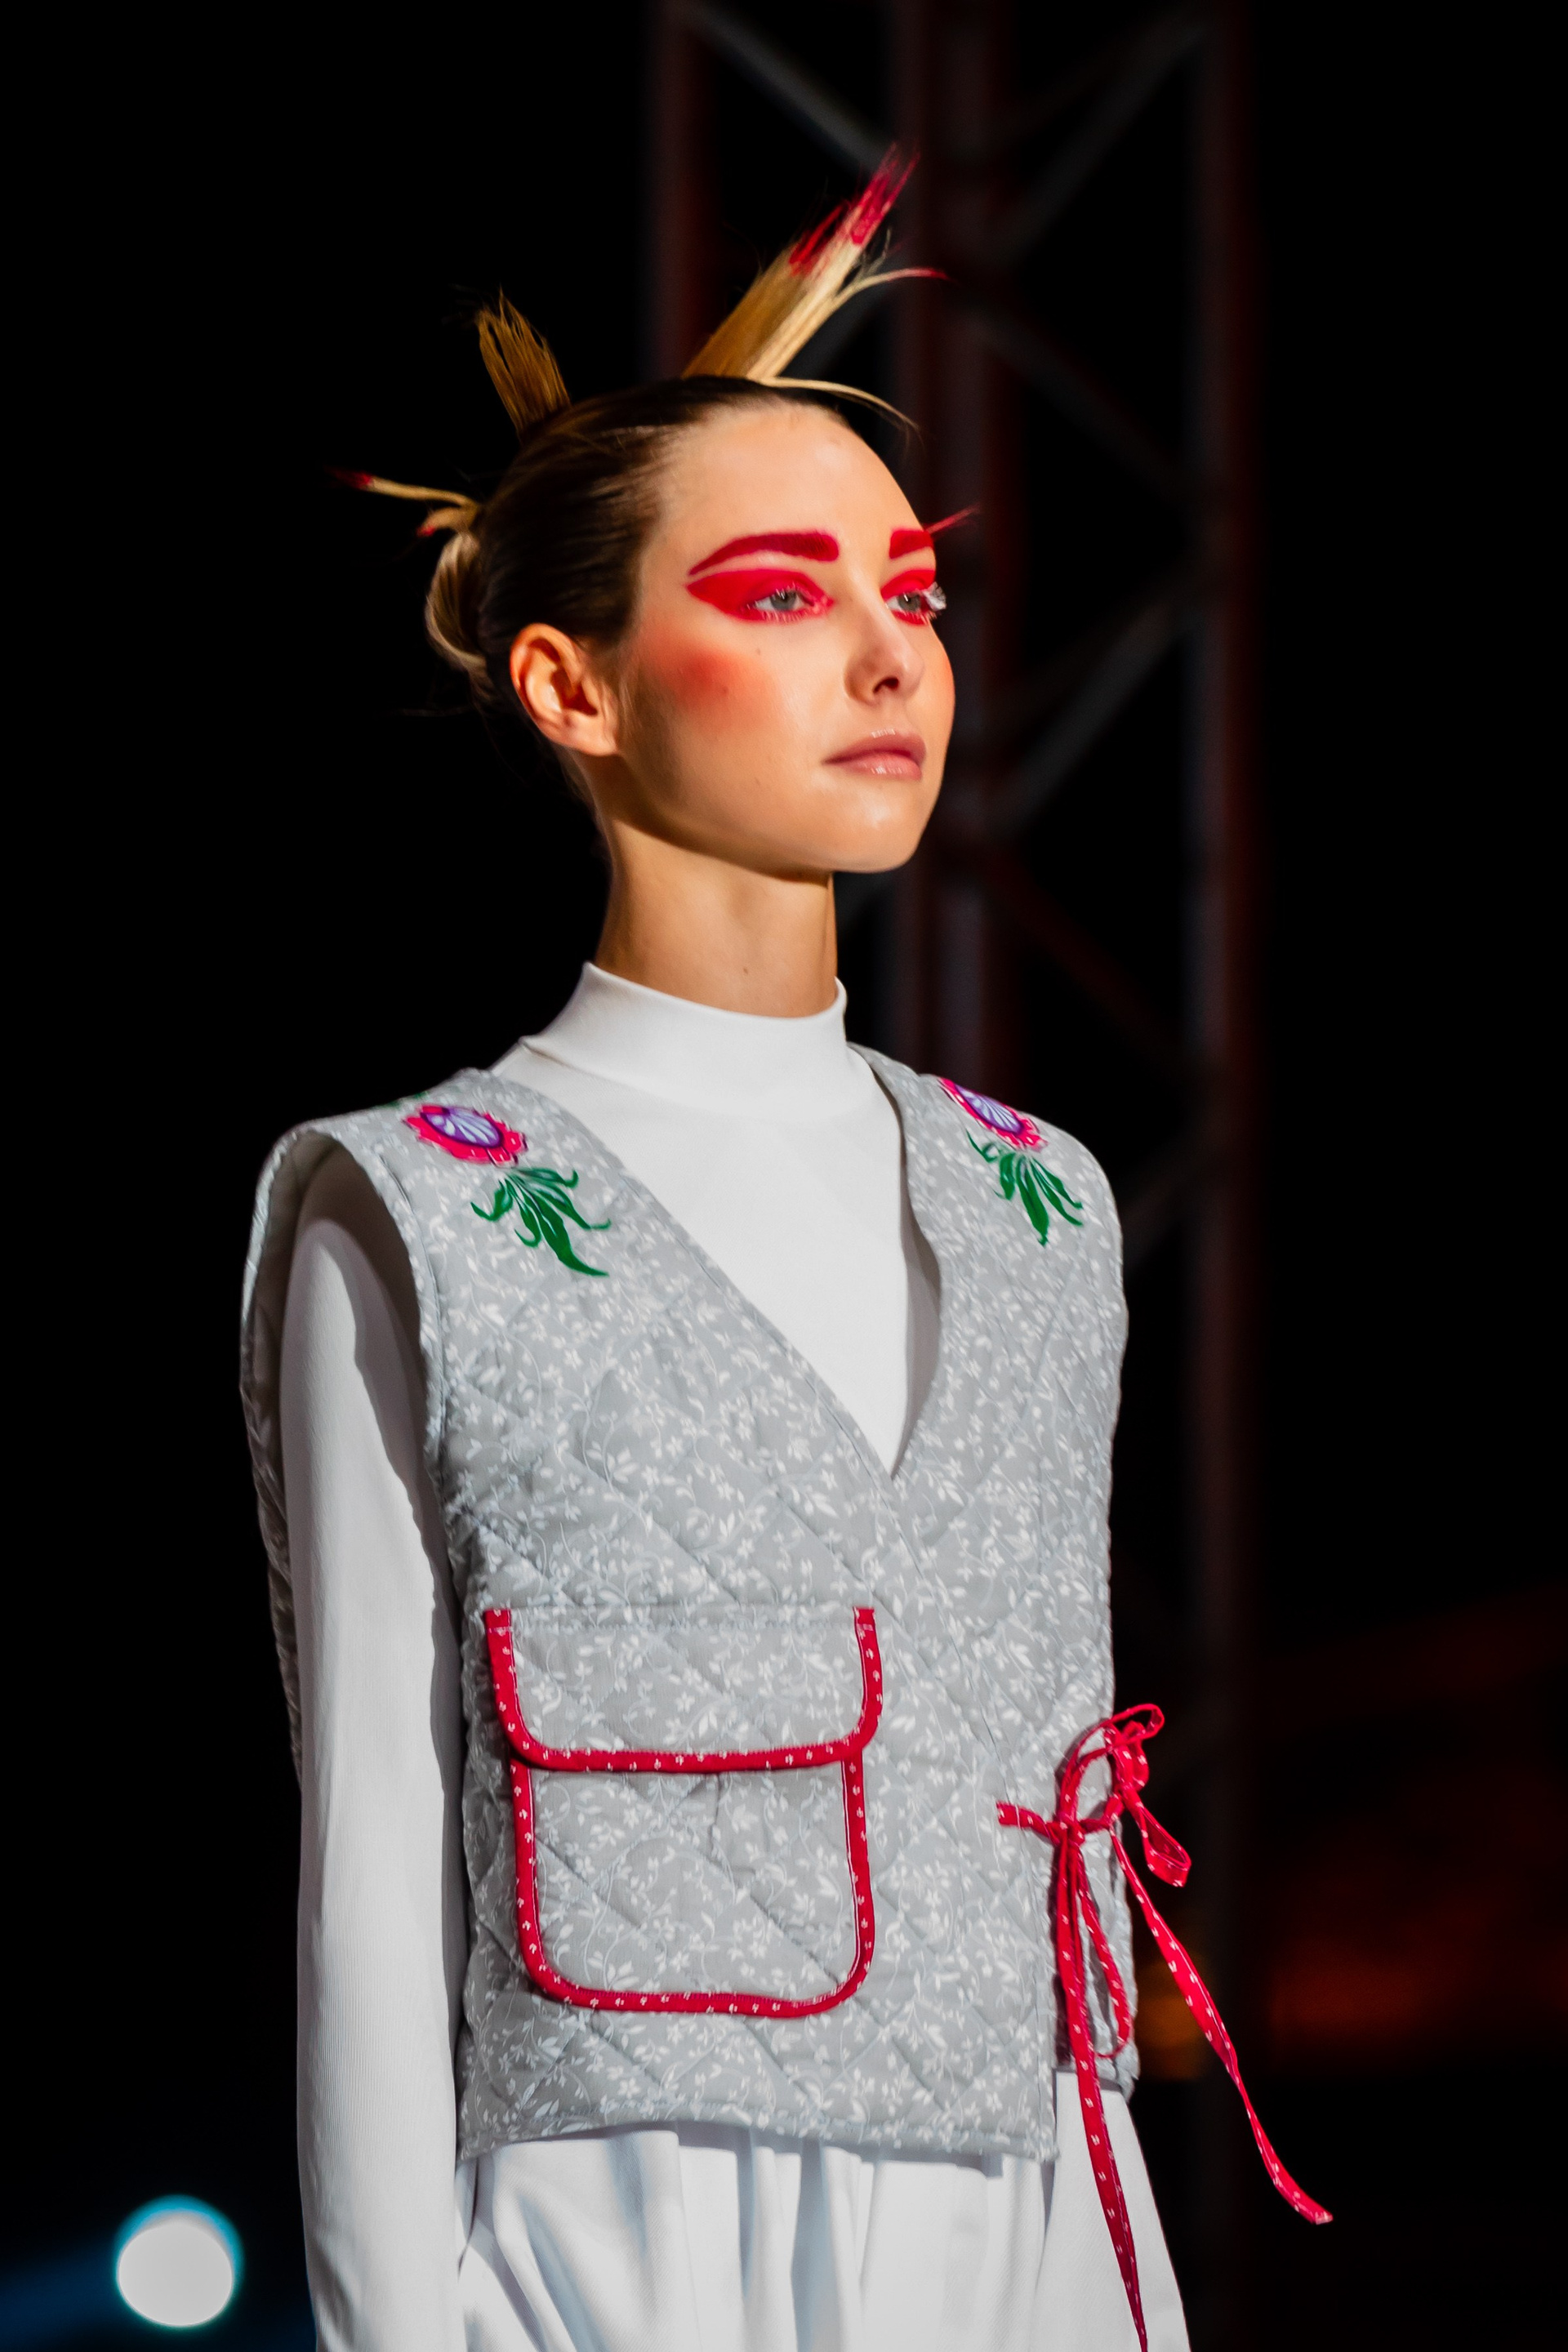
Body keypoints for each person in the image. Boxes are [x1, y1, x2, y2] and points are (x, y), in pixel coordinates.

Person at [241, 161, 1199, 2352]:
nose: (887, 653)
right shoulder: (429, 1204)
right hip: (619, 2243)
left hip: (1041, 2228)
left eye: (912, 592)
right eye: (779, 593)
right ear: (570, 686)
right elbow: (373, 1873)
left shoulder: (1040, 1205)